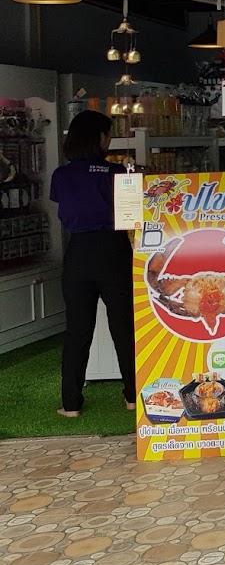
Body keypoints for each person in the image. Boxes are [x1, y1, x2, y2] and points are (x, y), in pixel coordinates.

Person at [49, 110, 136, 417]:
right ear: (99, 137)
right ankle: (132, 396)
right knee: (123, 327)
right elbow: (131, 214)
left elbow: (65, 209)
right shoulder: (117, 173)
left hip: (78, 252)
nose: (109, 140)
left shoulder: (61, 175)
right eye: (107, 134)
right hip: (114, 251)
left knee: (77, 329)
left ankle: (71, 403)